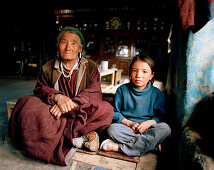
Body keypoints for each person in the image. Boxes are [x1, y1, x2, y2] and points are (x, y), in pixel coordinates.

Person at [9, 26, 113, 166]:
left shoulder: (91, 67)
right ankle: (79, 137)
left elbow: (94, 92)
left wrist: (72, 104)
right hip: (54, 112)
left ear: (80, 49)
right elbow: (40, 88)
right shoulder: (48, 67)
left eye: (74, 43)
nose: (68, 47)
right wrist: (57, 98)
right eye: (64, 42)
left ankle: (58, 135)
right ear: (58, 46)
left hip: (78, 110)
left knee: (106, 109)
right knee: (26, 103)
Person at [100, 53, 171, 157]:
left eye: (144, 72)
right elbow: (115, 113)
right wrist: (130, 124)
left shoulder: (157, 93)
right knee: (112, 129)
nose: (138, 75)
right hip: (128, 128)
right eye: (134, 70)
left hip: (148, 129)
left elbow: (161, 116)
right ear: (130, 72)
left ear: (152, 75)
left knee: (165, 129)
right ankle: (152, 145)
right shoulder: (122, 90)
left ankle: (119, 147)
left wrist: (148, 124)